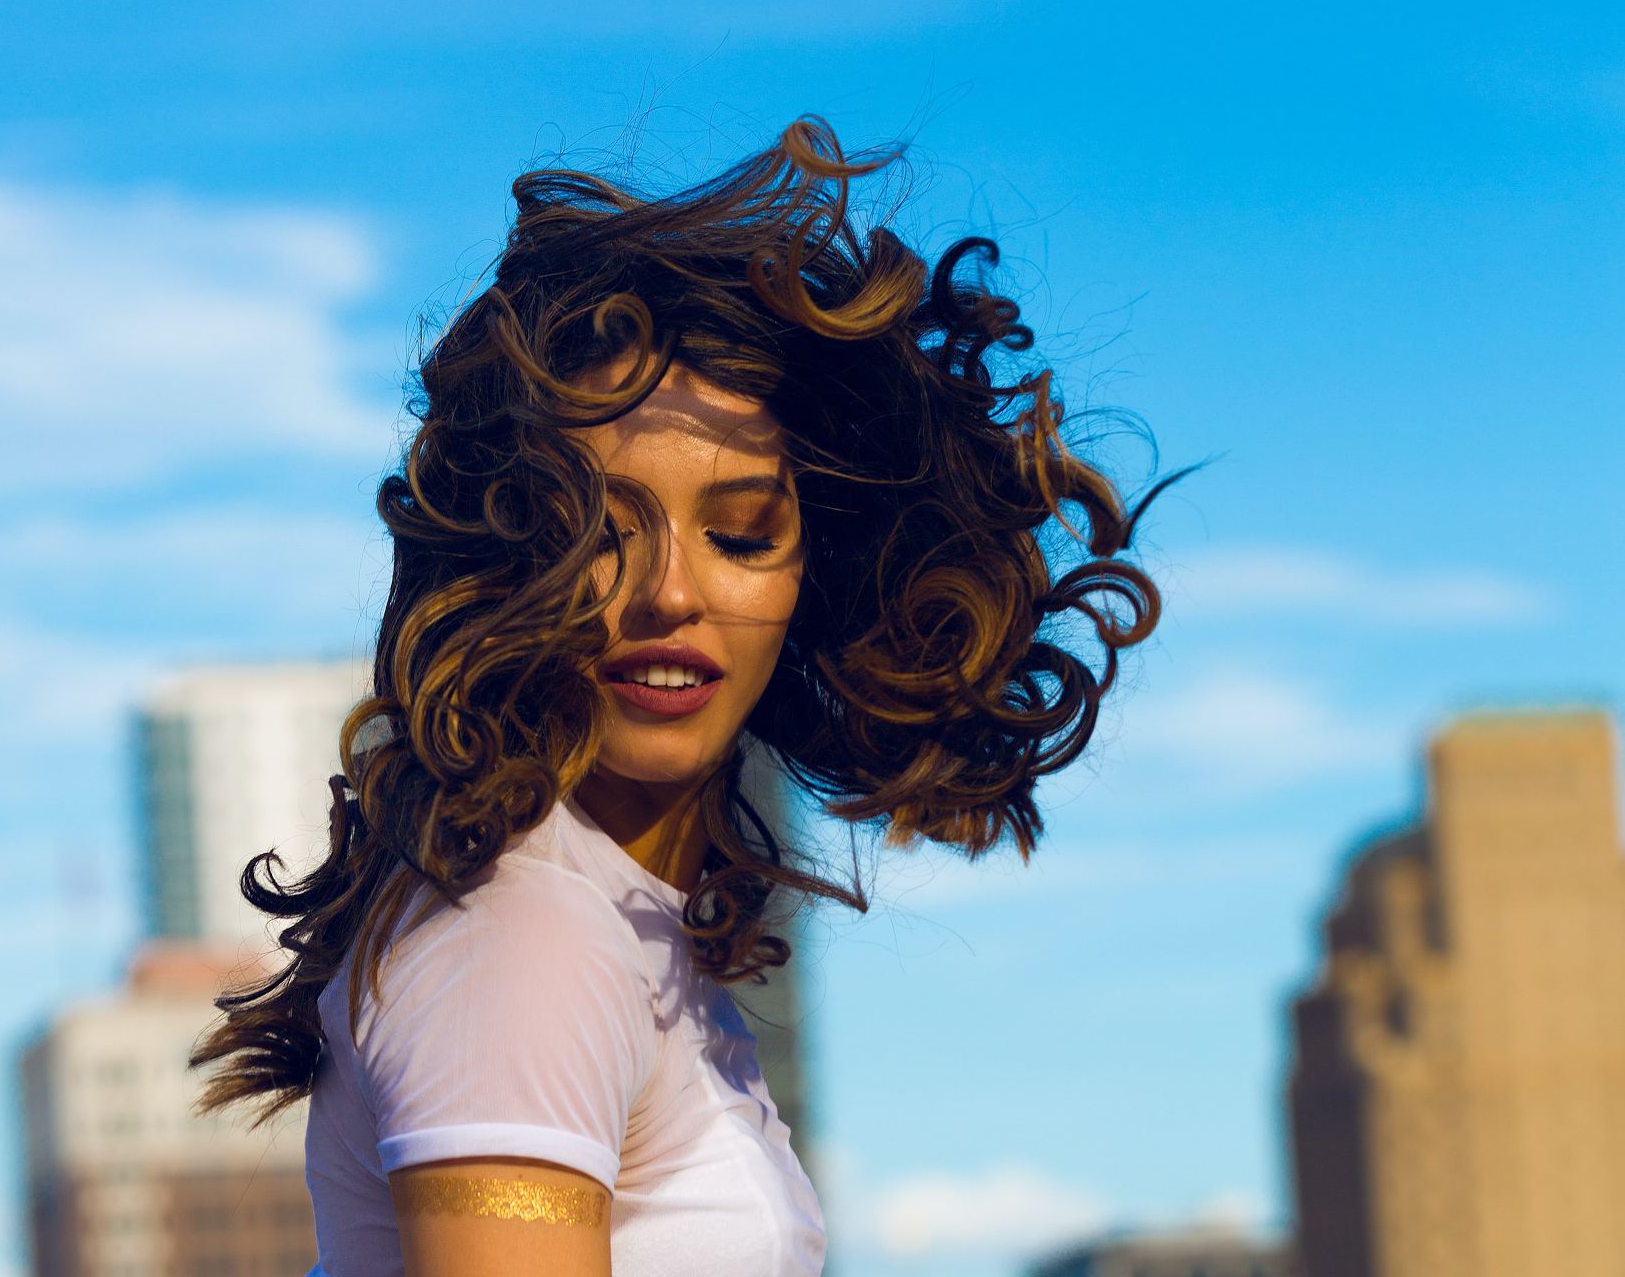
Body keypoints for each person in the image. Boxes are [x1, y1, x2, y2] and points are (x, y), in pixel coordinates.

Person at [191, 117, 1171, 1277]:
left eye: (741, 533)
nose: (670, 591)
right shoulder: (524, 936)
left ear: (817, 571)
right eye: (603, 534)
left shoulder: (607, 919)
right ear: (512, 557)